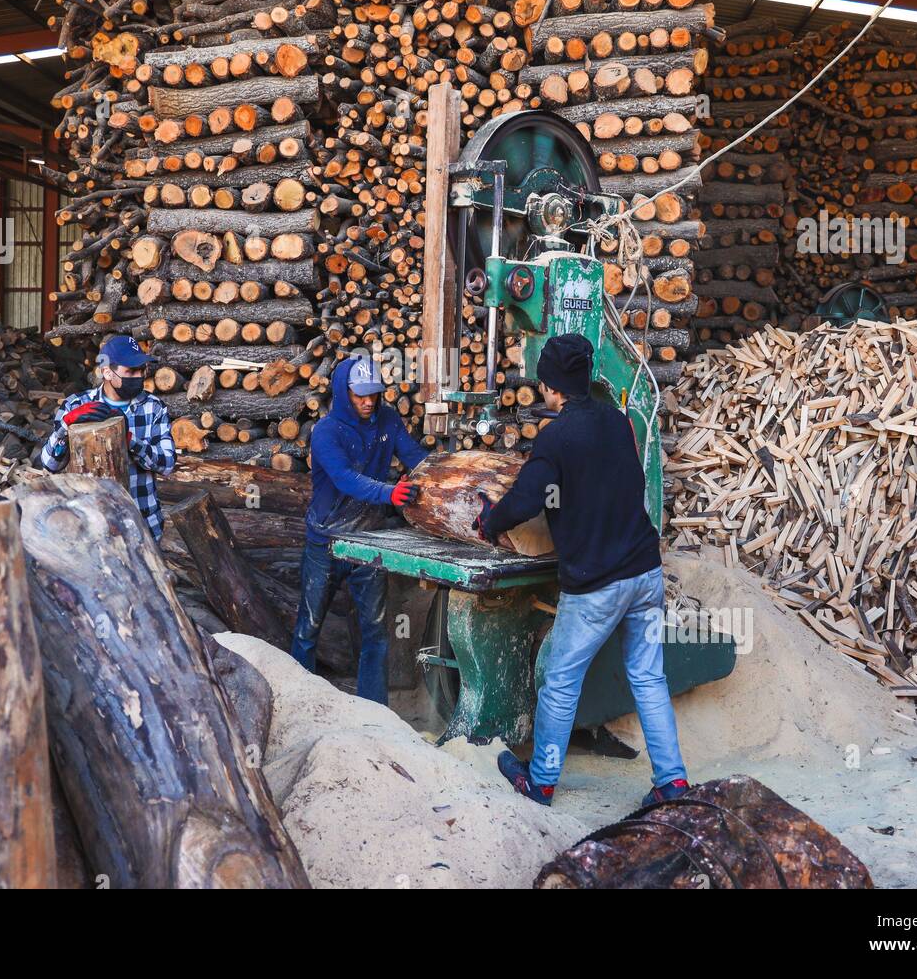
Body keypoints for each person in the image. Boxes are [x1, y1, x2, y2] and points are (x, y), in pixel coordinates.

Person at [477, 332, 688, 808]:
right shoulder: (616, 421)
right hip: (645, 572)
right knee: (649, 677)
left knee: (560, 680)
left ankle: (541, 782)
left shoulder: (557, 437)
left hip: (598, 587)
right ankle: (673, 782)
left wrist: (490, 520)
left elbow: (525, 500)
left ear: (551, 387)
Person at [293, 355, 428, 703]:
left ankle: (374, 712)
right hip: (326, 541)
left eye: (374, 394)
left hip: (368, 541)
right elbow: (344, 479)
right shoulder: (325, 432)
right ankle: (300, 706)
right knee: (308, 629)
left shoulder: (387, 420)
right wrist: (390, 493)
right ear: (343, 392)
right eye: (360, 395)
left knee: (376, 632)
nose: (369, 402)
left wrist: (442, 475)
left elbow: (416, 458)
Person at [40, 334, 176, 539]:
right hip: (89, 527)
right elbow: (50, 464)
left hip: (142, 523)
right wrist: (65, 427)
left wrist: (129, 440)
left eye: (141, 370)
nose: (138, 376)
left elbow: (167, 463)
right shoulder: (75, 405)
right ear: (107, 372)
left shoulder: (153, 407)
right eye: (130, 371)